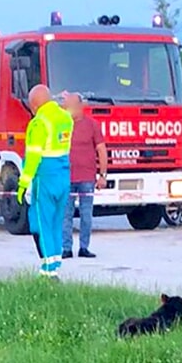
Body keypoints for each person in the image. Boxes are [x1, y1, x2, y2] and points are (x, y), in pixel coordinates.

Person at [16, 84, 72, 279]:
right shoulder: (66, 118)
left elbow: (33, 157)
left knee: (42, 222)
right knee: (57, 221)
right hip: (64, 177)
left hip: (45, 178)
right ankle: (56, 262)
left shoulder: (39, 123)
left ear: (34, 105)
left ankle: (48, 270)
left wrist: (23, 183)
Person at [63, 93, 105, 258]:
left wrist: (103, 175)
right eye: (67, 105)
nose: (69, 108)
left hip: (87, 178)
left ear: (81, 106)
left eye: (72, 105)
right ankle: (66, 248)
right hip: (67, 177)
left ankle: (84, 247)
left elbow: (101, 150)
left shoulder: (92, 125)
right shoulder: (63, 125)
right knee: (66, 214)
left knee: (86, 214)